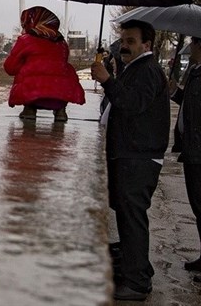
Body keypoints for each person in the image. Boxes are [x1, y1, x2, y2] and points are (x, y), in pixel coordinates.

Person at [90, 19, 170, 301]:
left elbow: (133, 104)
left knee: (133, 216)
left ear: (146, 45)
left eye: (131, 41)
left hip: (139, 156)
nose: (124, 46)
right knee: (128, 215)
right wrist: (110, 75)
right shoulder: (137, 67)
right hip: (131, 153)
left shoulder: (148, 70)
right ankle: (137, 267)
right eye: (123, 40)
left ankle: (137, 283)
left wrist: (107, 80)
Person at [3, 6, 85, 122]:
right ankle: (60, 110)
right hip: (60, 95)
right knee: (63, 70)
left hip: (33, 95)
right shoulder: (62, 43)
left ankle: (29, 109)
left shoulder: (26, 40)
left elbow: (10, 68)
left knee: (27, 70)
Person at [170, 36, 201, 281]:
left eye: (194, 43)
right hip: (191, 148)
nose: (190, 47)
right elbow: (180, 100)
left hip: (199, 150)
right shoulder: (194, 71)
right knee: (197, 206)